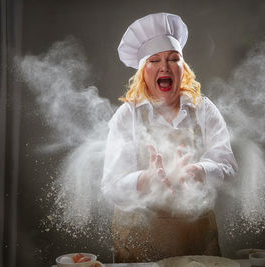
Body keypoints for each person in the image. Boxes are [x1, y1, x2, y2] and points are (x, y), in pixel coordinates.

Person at [102, 13, 237, 263]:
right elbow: (110, 187)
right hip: (138, 239)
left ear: (182, 68)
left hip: (195, 237)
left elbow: (228, 166)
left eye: (173, 59)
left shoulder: (204, 110)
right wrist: (146, 179)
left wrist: (200, 170)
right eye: (154, 60)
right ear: (143, 71)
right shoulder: (127, 115)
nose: (164, 66)